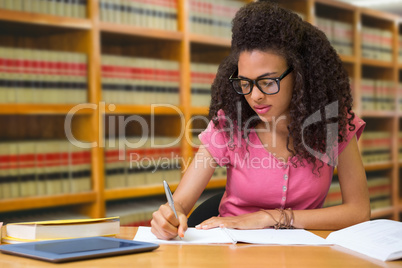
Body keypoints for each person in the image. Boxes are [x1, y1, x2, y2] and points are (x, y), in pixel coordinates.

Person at [151, 1, 370, 240]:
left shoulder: (334, 124)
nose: (254, 96)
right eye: (245, 83)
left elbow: (359, 212)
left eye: (267, 82)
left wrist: (270, 217)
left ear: (300, 75)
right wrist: (169, 216)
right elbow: (180, 203)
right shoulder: (229, 124)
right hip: (232, 248)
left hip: (302, 254)